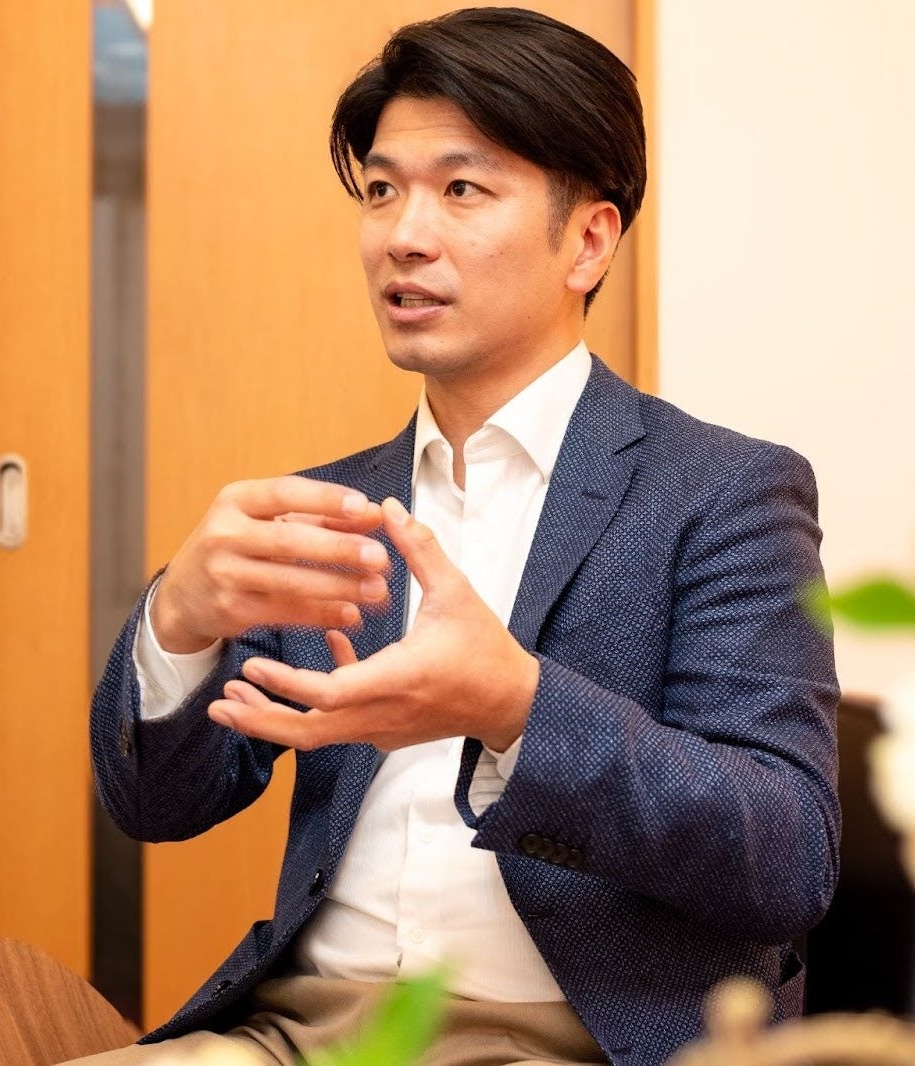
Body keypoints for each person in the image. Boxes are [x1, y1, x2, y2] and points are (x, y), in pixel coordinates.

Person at [83, 8, 840, 1065]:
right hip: (299, 1031)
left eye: (462, 189)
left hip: (571, 1043)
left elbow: (787, 855)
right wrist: (177, 625)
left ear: (588, 241)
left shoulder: (720, 493)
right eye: (381, 190)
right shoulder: (329, 509)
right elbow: (156, 804)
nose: (404, 233)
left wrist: (517, 706)